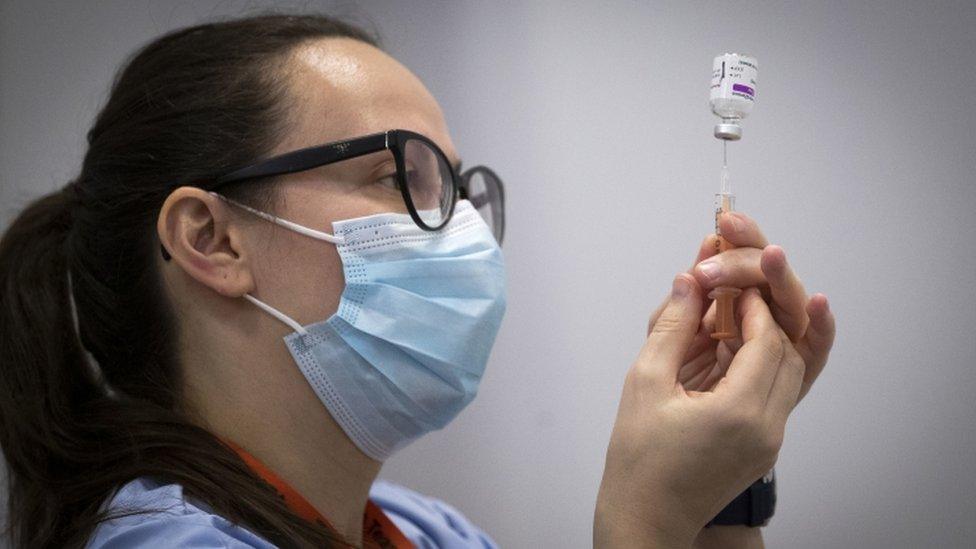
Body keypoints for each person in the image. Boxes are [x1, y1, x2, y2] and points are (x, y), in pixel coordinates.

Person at [0, 12, 835, 549]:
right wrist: (642, 522)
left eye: (461, 187)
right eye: (402, 174)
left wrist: (718, 497)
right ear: (211, 238)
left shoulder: (426, 533)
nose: (464, 230)